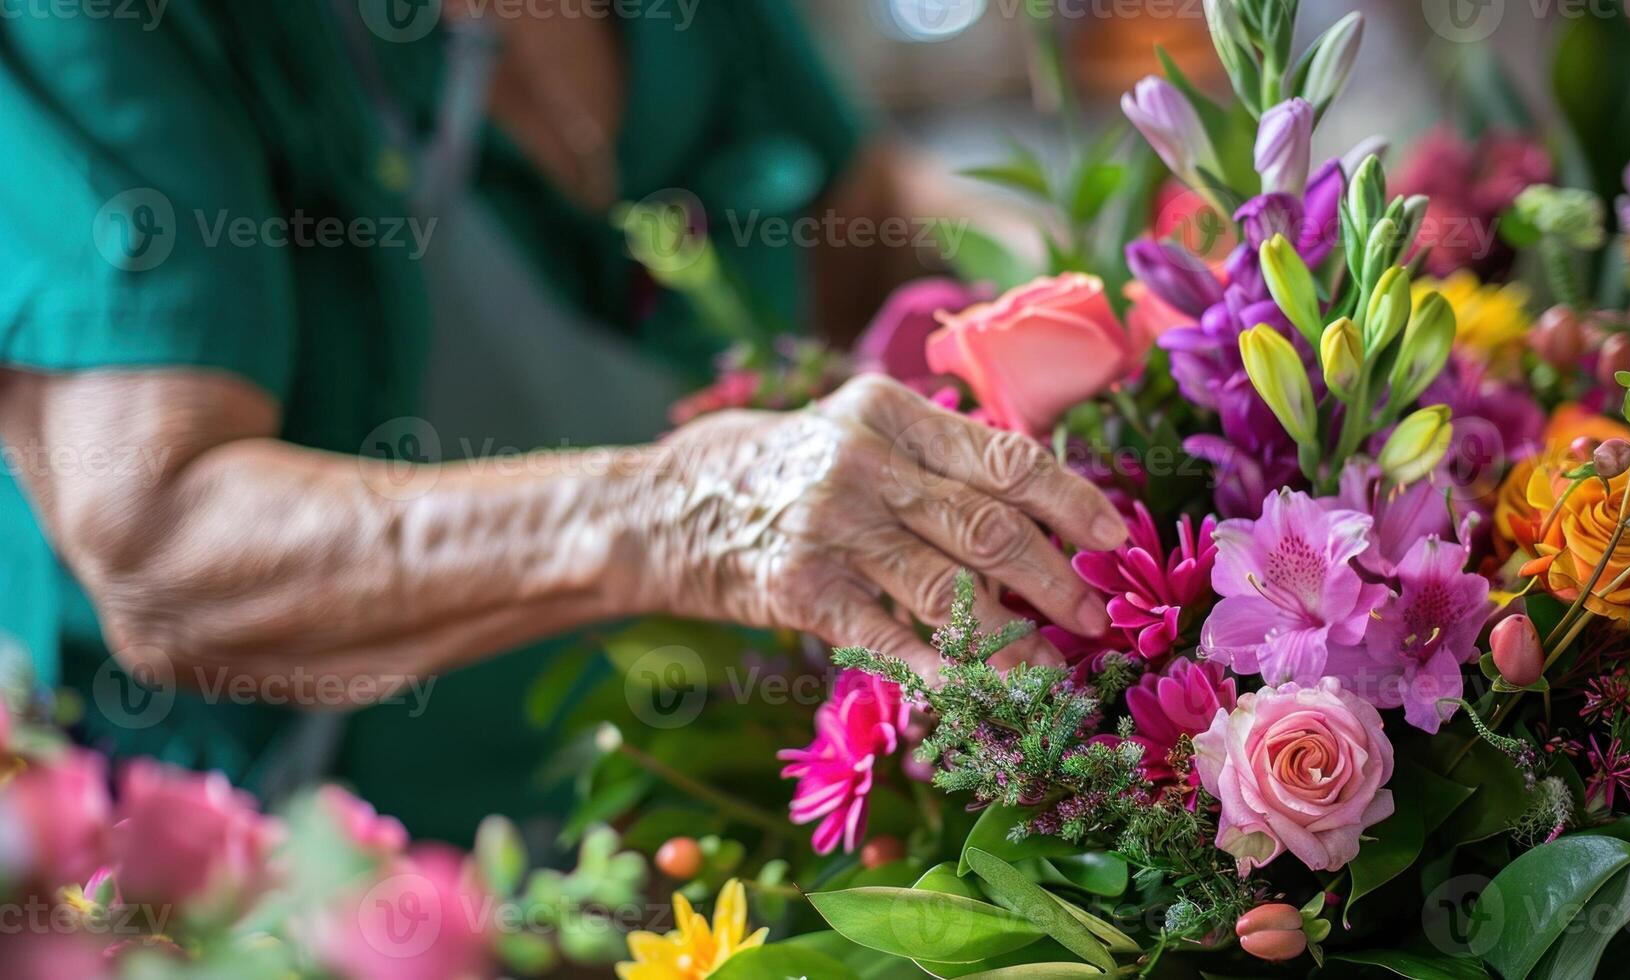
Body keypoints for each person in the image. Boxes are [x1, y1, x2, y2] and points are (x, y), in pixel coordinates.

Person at [0, 0, 1120, 841]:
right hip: (300, 886)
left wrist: (1101, 294)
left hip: (701, 833)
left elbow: (868, 219)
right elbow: (160, 535)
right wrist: (677, 511)